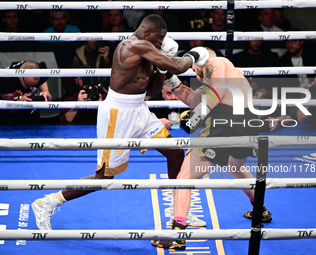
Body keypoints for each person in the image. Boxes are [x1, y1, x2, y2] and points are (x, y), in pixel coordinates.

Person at [31, 14, 209, 230]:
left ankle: (179, 212)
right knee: (104, 176)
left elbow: (152, 90)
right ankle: (48, 202)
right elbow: (180, 66)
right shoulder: (134, 46)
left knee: (175, 152)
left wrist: (162, 68)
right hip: (117, 114)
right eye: (160, 38)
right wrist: (196, 54)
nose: (161, 43)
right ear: (148, 32)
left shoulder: (149, 51)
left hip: (139, 110)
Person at [151, 52, 272, 250]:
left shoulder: (217, 63)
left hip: (225, 123)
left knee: (185, 177)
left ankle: (177, 233)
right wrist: (169, 78)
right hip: (247, 121)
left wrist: (195, 117)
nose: (194, 72)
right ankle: (260, 210)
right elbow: (193, 99)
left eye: (193, 68)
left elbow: (218, 92)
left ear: (199, 62)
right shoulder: (215, 80)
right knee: (236, 166)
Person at [0, 61, 51, 125]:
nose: (31, 88)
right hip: (11, 121)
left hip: (33, 117)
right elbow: (10, 109)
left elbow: (48, 95)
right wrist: (20, 102)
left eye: (34, 85)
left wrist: (46, 96)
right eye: (28, 85)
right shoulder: (6, 79)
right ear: (20, 76)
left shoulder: (38, 71)